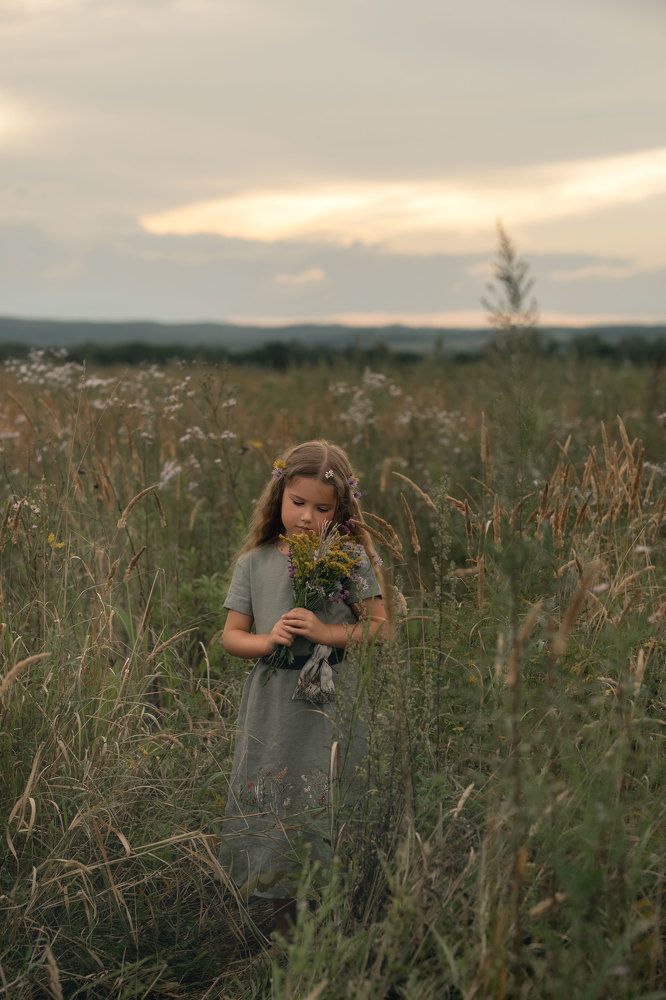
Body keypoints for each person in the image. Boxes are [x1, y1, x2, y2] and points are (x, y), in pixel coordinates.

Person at [220, 439, 391, 938]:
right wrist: (269, 639)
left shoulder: (350, 557)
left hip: (331, 699)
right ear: (279, 497)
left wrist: (326, 632)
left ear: (340, 510)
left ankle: (338, 919)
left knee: (329, 797)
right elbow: (231, 636)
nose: (308, 517)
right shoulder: (254, 561)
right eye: (298, 503)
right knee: (277, 805)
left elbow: (380, 626)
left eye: (323, 508)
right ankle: (284, 931)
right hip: (274, 699)